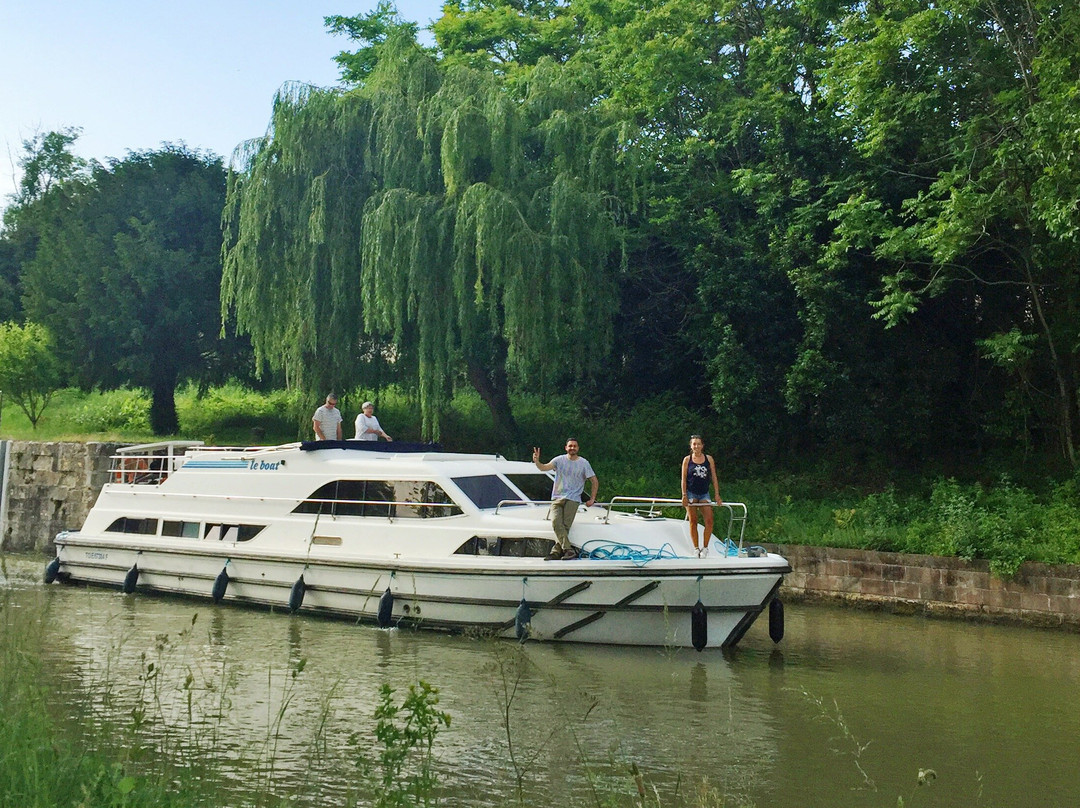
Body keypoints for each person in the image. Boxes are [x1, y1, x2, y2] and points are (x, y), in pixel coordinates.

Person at [532, 438, 598, 560]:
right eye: (570, 446)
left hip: (573, 498)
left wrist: (592, 498)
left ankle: (556, 552)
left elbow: (594, 480)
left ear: (578, 448)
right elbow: (544, 468)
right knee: (556, 523)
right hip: (557, 497)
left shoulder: (584, 463)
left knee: (565, 526)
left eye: (574, 446)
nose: (572, 448)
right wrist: (537, 461)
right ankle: (568, 550)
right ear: (566, 448)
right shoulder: (559, 460)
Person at [681, 434, 721, 558]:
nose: (696, 446)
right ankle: (696, 548)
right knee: (693, 521)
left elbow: (713, 477)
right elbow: (683, 479)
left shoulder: (708, 459)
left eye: (698, 444)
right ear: (691, 446)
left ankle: (705, 547)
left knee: (709, 520)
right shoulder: (687, 460)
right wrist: (684, 495)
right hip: (691, 492)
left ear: (702, 446)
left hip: (704, 492)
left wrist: (717, 494)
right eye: (694, 444)